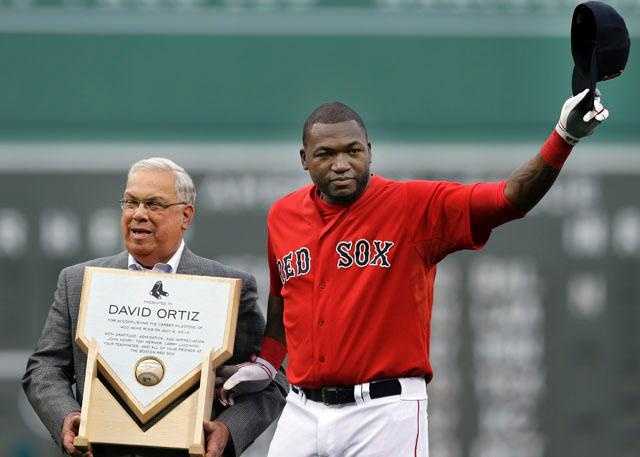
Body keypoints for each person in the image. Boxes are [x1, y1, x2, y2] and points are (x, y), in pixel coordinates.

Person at [220, 90, 609, 456]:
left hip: (383, 410)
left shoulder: (413, 206)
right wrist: (269, 361)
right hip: (303, 409)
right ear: (304, 158)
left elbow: (508, 199)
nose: (341, 164)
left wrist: (564, 137)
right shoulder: (283, 216)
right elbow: (284, 296)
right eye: (326, 154)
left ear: (370, 152)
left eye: (353, 151)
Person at [22, 158, 287, 457]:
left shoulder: (228, 286)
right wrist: (66, 417)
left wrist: (227, 430)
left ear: (186, 215)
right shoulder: (78, 282)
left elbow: (271, 381)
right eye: (130, 202)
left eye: (154, 204)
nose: (138, 214)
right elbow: (44, 369)